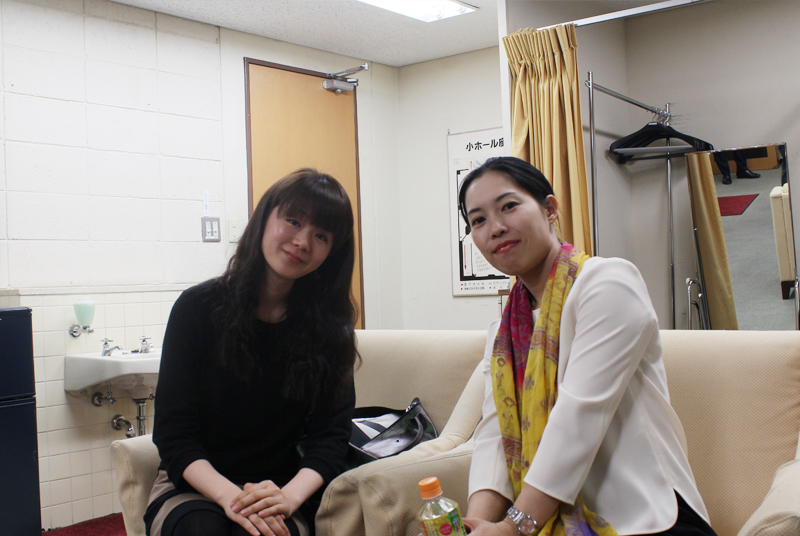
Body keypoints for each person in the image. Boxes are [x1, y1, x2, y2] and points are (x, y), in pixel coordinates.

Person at [457, 157, 716, 536]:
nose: (495, 228)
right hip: (551, 521)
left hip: (646, 518)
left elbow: (578, 418)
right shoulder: (504, 331)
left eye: (509, 206)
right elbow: (496, 434)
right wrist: (474, 525)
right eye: (478, 220)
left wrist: (514, 527)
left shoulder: (608, 284)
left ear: (549, 209)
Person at [145, 169, 358, 536]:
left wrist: (288, 497)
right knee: (203, 531)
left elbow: (331, 439)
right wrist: (230, 496)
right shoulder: (197, 308)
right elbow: (174, 433)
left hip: (279, 491)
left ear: (331, 253)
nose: (302, 241)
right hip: (193, 484)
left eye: (321, 235)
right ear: (264, 218)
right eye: (293, 221)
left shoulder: (330, 331)